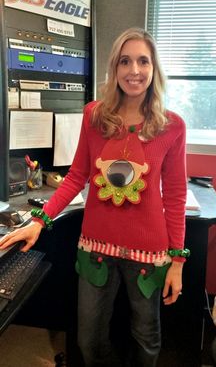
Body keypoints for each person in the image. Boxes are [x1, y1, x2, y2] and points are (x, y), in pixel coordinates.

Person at [0, 27, 189, 367]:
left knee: (147, 338)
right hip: (96, 248)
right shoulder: (95, 115)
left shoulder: (171, 125)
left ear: (154, 68)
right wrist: (40, 222)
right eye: (125, 61)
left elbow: (175, 195)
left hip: (150, 253)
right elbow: (76, 177)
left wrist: (177, 261)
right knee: (89, 339)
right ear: (114, 68)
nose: (134, 71)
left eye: (143, 61)